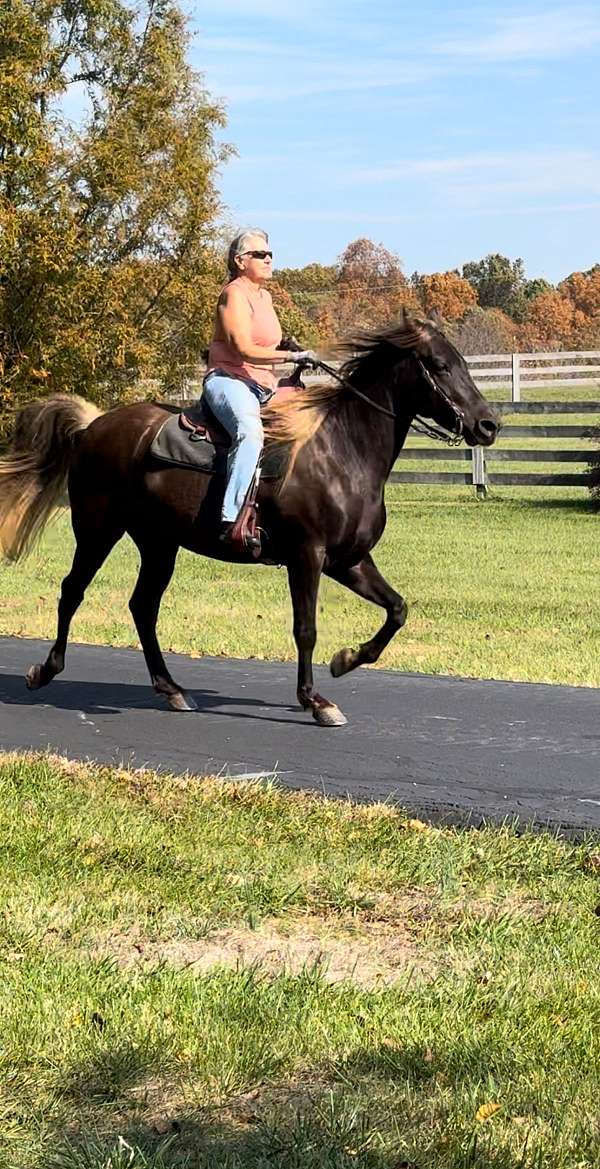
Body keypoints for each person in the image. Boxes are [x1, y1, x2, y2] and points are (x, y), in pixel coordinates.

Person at [204, 229, 315, 546]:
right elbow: (242, 348)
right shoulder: (233, 294)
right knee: (249, 432)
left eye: (270, 254)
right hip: (230, 380)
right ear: (241, 261)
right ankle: (231, 519)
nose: (268, 259)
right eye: (260, 255)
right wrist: (291, 355)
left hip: (263, 384)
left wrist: (290, 346)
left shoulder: (264, 296)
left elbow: (266, 340)